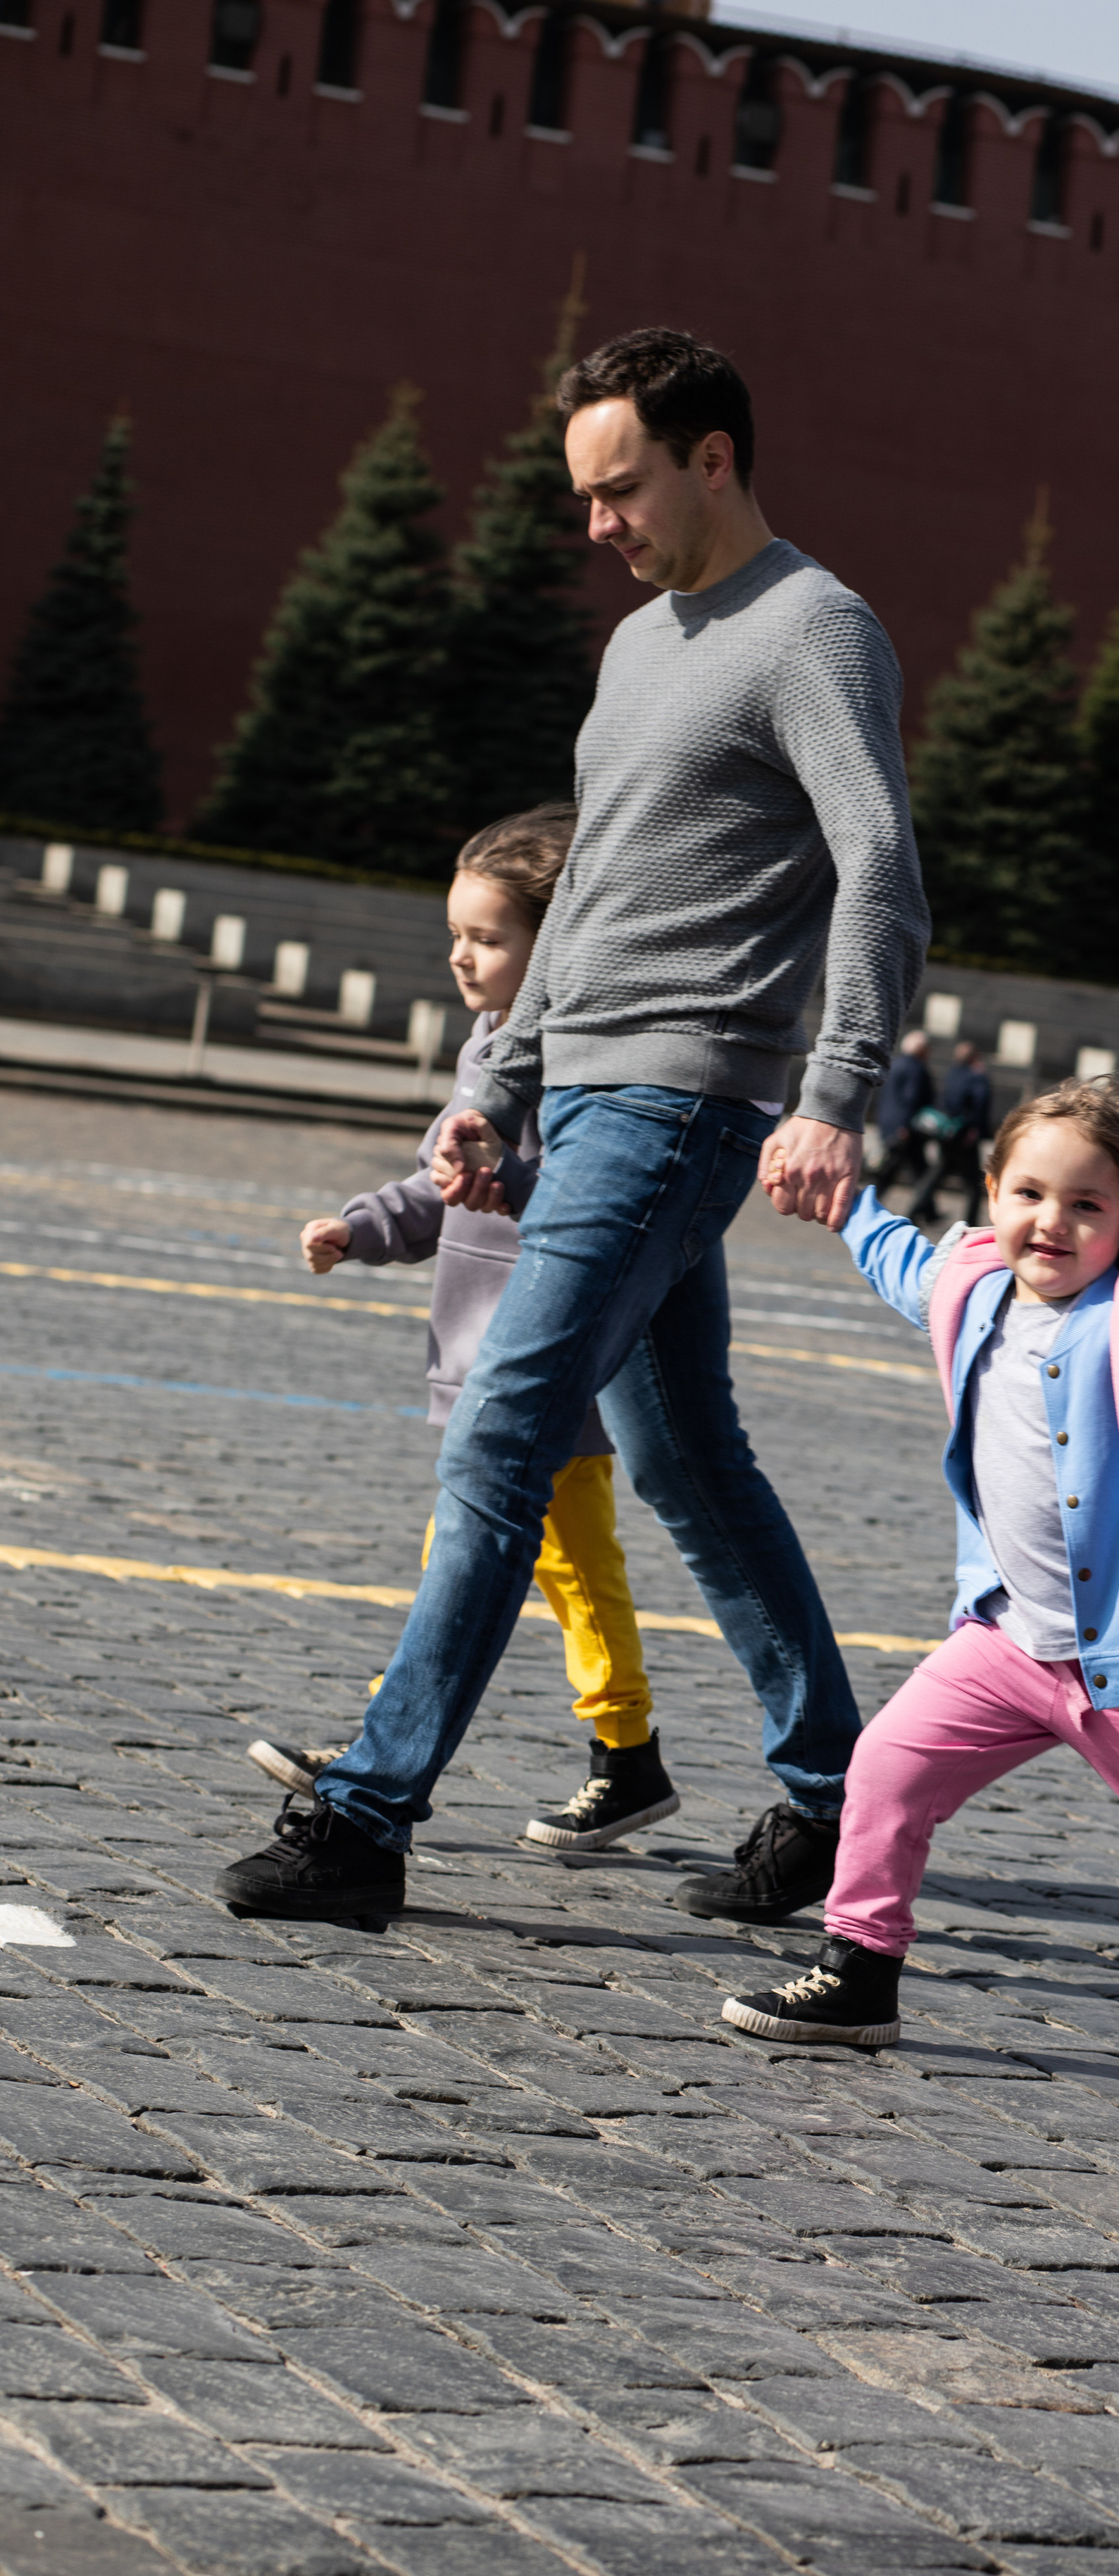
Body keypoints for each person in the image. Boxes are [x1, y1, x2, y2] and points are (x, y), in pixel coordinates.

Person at [218, 326, 928, 1935]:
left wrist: (834, 1093)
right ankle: (836, 1794)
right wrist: (501, 1084)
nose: (597, 522)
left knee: (503, 1431)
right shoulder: (637, 647)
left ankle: (366, 1814)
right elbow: (592, 889)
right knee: (684, 1460)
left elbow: (879, 867)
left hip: (681, 1098)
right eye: (585, 495)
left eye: (621, 489)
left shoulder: (813, 629)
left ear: (712, 459)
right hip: (587, 1092)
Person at [720, 1078, 1119, 2085]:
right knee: (885, 1770)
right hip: (1003, 1641)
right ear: (992, 1189)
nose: (1052, 1222)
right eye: (1030, 1194)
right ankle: (860, 1970)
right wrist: (843, 1204)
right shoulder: (969, 1282)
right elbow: (898, 1259)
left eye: (1087, 1205)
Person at [235, 805, 675, 1892]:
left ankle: (624, 1754)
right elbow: (437, 1185)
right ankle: (400, 1744)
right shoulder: (488, 1049)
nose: (461, 957)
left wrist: (509, 1180)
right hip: (483, 1368)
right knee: (469, 1565)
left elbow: (589, 1204)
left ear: (559, 944)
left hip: (552, 1364)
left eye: (487, 937)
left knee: (572, 1571)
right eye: (455, 935)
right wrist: (362, 1227)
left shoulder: (587, 1065)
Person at [874, 1029, 936, 1213]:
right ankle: (925, 1209)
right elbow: (911, 1099)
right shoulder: (916, 1069)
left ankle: (929, 1210)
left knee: (914, 1169)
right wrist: (904, 1126)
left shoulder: (895, 1064)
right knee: (901, 1170)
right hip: (907, 1128)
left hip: (889, 1124)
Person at [936, 1040, 994, 1217]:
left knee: (937, 1173)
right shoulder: (975, 1076)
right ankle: (970, 1221)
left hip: (948, 1132)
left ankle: (917, 1209)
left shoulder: (951, 1074)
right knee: (974, 1183)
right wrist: (976, 1130)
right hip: (965, 1134)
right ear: (974, 1057)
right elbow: (980, 1104)